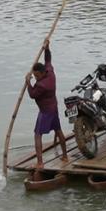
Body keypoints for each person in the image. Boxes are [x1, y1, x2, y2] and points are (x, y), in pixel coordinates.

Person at [26, 39, 69, 174]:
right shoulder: (50, 72)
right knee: (58, 130)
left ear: (42, 73)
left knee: (37, 135)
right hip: (54, 107)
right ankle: (65, 155)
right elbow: (48, 60)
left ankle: (40, 162)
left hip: (45, 112)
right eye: (34, 76)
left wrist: (28, 82)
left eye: (36, 75)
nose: (35, 78)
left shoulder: (41, 85)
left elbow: (32, 95)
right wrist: (47, 48)